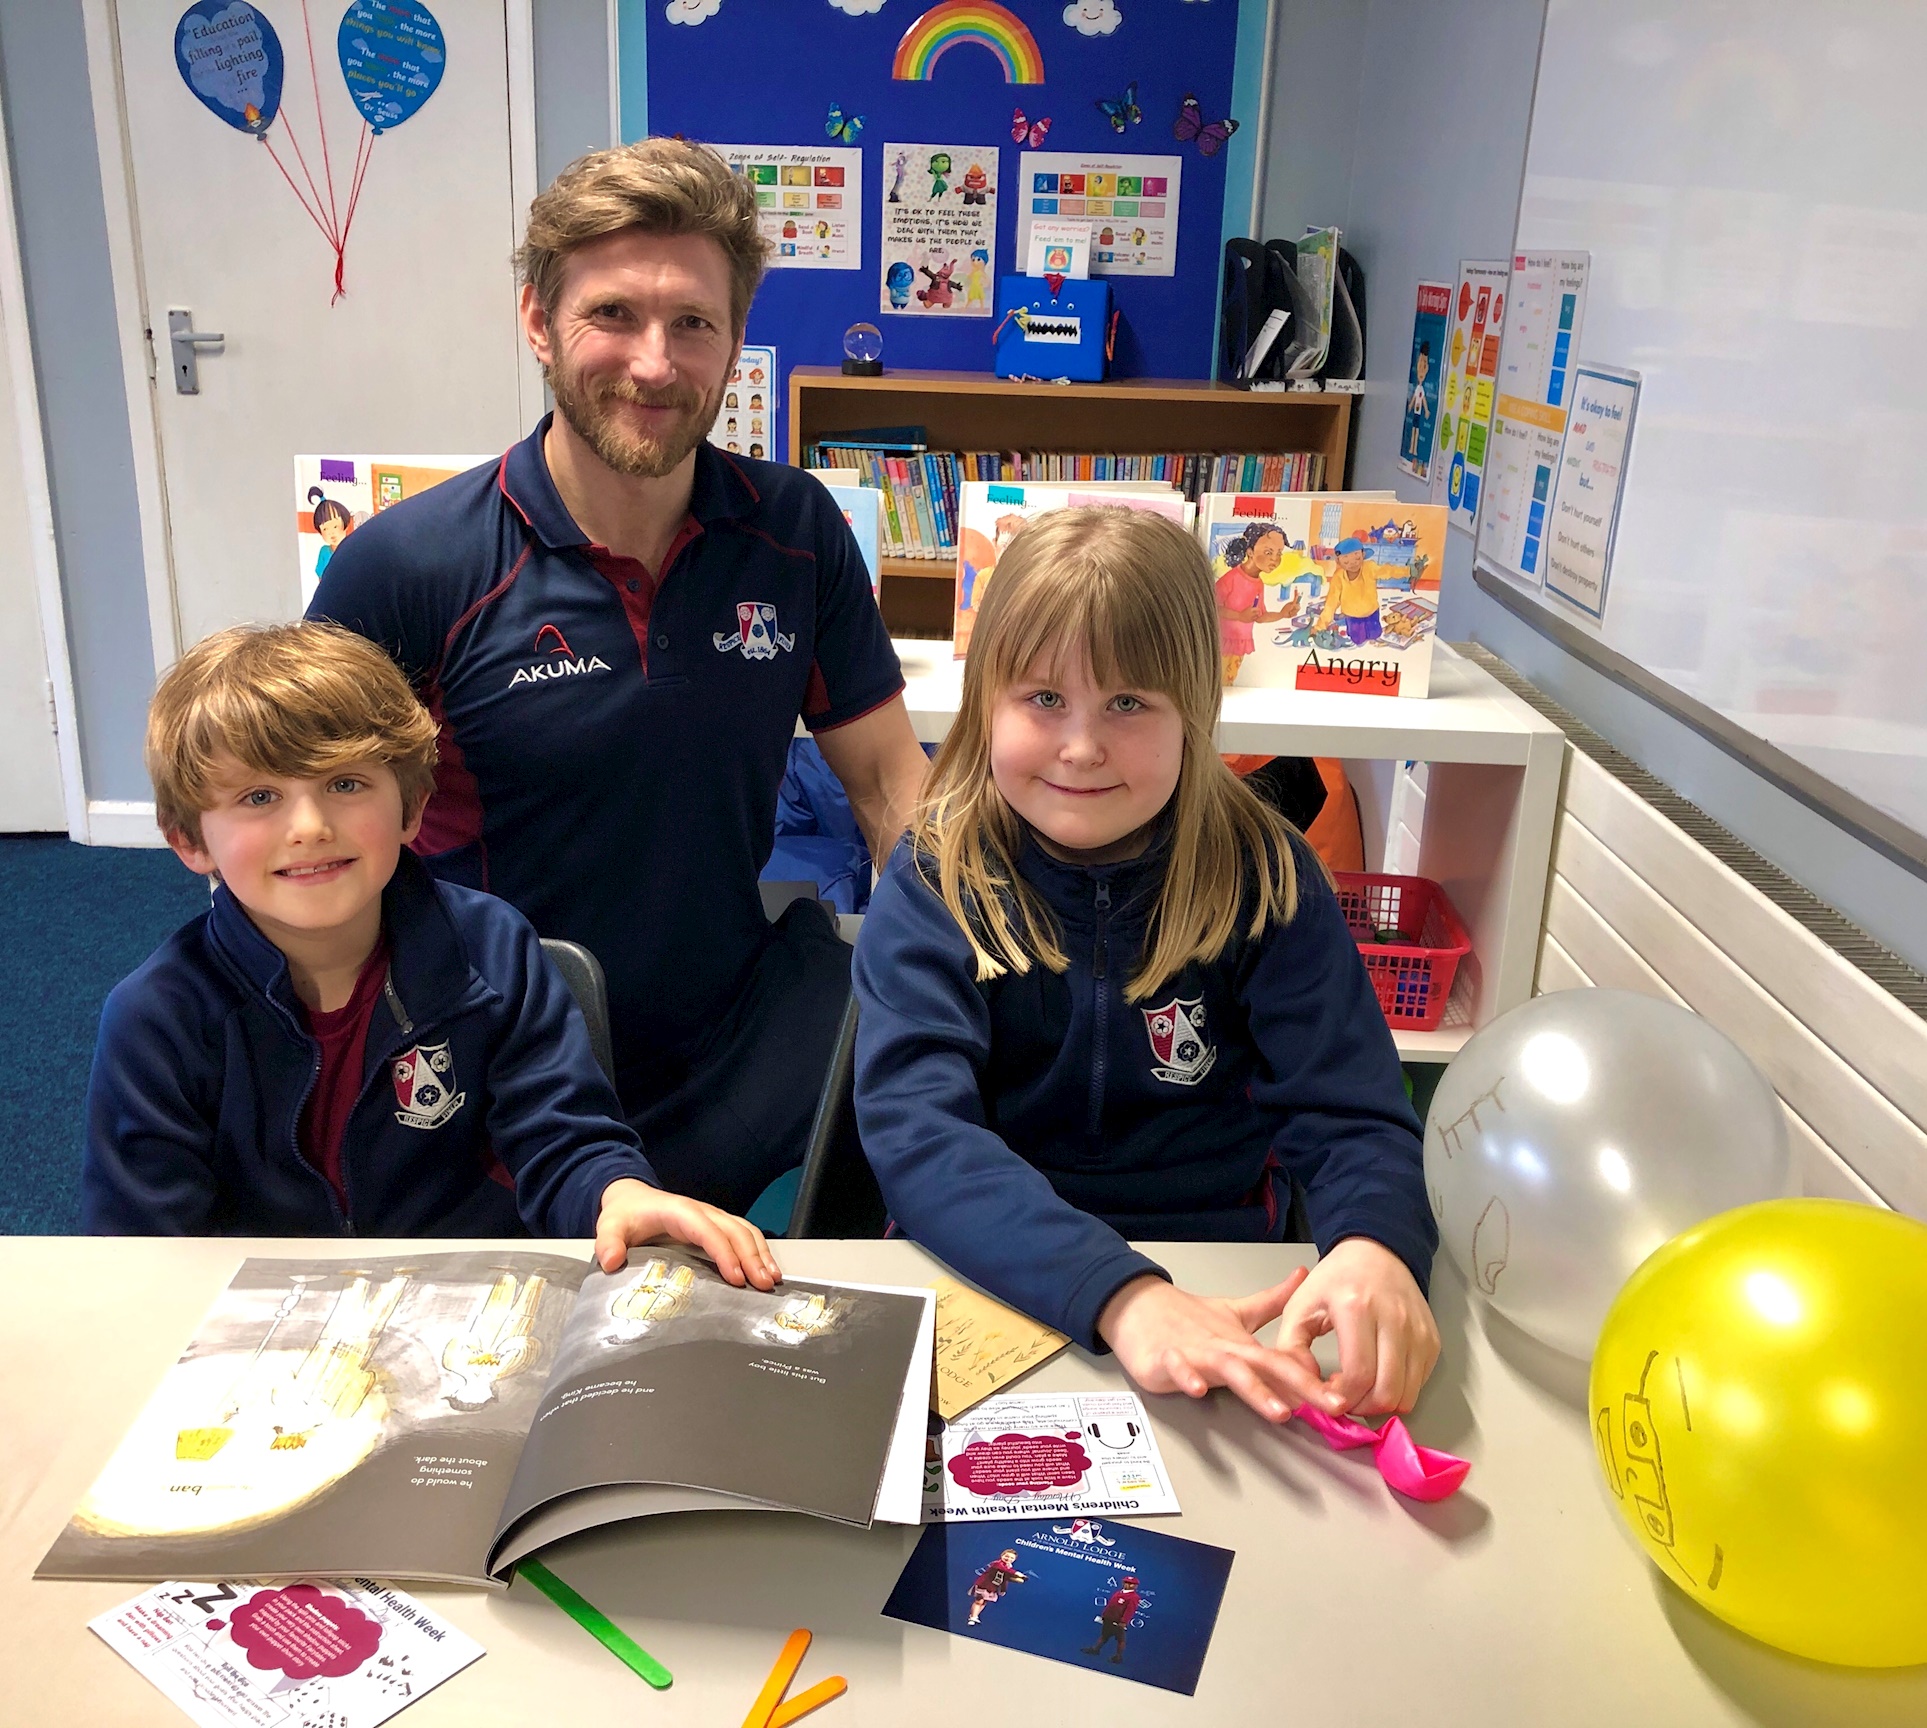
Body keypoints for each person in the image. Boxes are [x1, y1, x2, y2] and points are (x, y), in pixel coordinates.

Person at [310, 140, 927, 1214]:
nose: (655, 364)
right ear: (538, 324)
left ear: (734, 340)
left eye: (693, 322)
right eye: (612, 316)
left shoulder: (793, 532)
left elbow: (884, 784)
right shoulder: (409, 568)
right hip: (506, 1066)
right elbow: (296, 838)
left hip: (727, 1040)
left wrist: (961, 968)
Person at [852, 508, 1439, 1427]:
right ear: (986, 702)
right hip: (985, 1267)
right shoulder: (936, 876)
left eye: (1127, 704)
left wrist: (1376, 1246)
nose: (1081, 746)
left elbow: (1352, 1111)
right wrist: (1121, 1294)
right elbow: (921, 1139)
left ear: (1194, 709)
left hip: (1221, 1273)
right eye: (1043, 699)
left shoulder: (1266, 875)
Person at [82, 621, 777, 1292]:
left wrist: (616, 1194)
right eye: (259, 797)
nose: (310, 828)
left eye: (346, 784)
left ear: (412, 808)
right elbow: (146, 1257)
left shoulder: (493, 951)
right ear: (189, 841)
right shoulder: (158, 1018)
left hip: (468, 1309)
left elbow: (561, 1140)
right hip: (262, 1346)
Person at [1213, 522, 1295, 684]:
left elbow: (1260, 616)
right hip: (1219, 643)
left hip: (1239, 645)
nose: (1275, 559)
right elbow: (1211, 608)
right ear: (1250, 552)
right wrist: (1239, 615)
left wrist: (1282, 614)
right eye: (1268, 552)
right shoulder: (1230, 579)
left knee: (1229, 682)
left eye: (1279, 553)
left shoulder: (1258, 584)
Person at [1312, 536, 1388, 644]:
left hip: (1372, 612)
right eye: (1346, 562)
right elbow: (1331, 603)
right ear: (1338, 561)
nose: (1353, 564)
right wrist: (1320, 626)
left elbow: (1388, 571)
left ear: (1363, 555)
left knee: (1375, 635)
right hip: (1353, 617)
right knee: (1357, 640)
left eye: (1357, 559)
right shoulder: (1338, 577)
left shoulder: (1370, 567)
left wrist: (1408, 571)